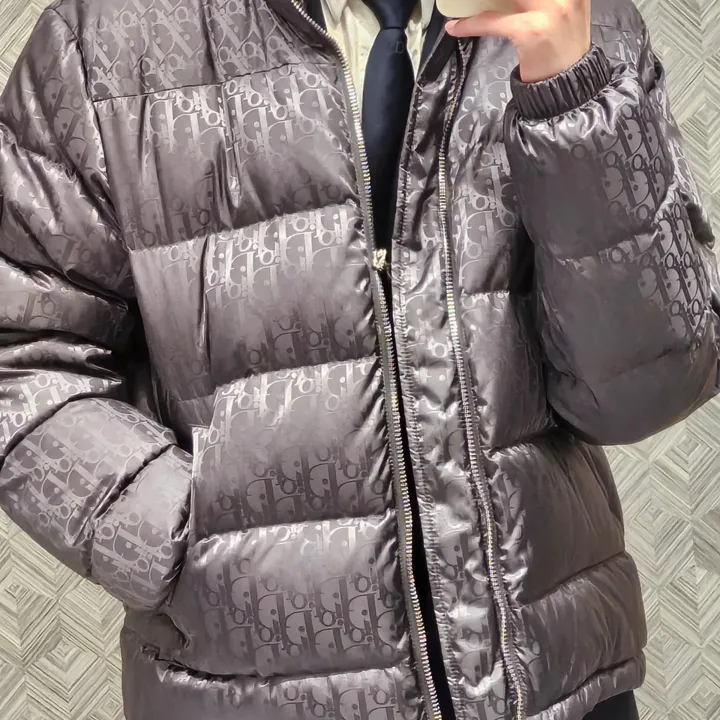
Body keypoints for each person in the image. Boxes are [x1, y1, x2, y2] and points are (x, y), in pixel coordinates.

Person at [0, 0, 717, 717]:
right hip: (253, 697)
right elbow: (22, 354)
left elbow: (648, 389)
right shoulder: (110, 37)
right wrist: (189, 541)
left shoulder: (583, 19)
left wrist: (574, 94)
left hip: (556, 684)